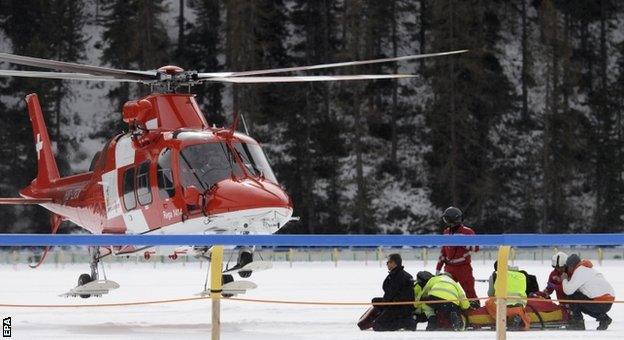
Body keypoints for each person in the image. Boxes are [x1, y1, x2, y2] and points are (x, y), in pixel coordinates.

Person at [435, 206, 480, 307]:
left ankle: (476, 313)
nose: (445, 222)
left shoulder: (468, 232)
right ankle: (449, 311)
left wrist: (462, 241)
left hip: (463, 268)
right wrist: (438, 268)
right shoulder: (446, 232)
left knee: (470, 292)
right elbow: (443, 252)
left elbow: (476, 248)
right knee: (446, 290)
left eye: (446, 219)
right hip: (449, 268)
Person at [562, 253, 615, 330]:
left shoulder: (579, 270)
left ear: (572, 265)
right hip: (607, 302)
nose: (568, 269)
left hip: (600, 302)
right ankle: (604, 318)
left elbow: (568, 291)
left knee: (572, 297)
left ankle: (578, 323)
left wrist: (564, 279)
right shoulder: (587, 269)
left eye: (568, 267)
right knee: (583, 304)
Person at [370, 253, 416, 331]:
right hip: (399, 304)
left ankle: (406, 322)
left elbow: (391, 294)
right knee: (375, 301)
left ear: (394, 263)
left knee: (378, 325)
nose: (387, 264)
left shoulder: (398, 276)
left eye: (388, 262)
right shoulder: (397, 274)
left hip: (399, 306)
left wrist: (385, 307)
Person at [485, 261, 531, 330]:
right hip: (520, 305)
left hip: (502, 306)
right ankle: (516, 317)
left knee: (488, 302)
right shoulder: (521, 275)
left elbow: (490, 294)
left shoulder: (495, 275)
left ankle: (504, 319)